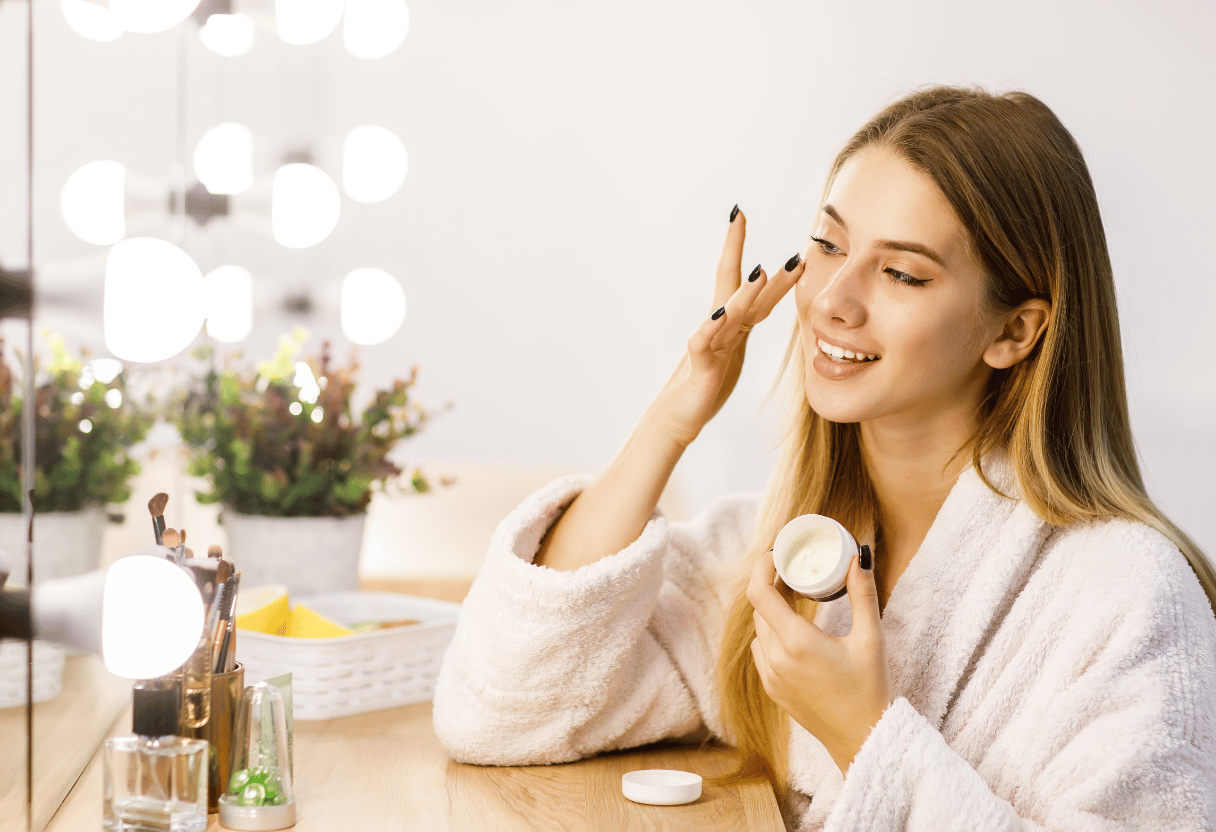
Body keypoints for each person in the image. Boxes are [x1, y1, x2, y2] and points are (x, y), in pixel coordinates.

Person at [432, 86, 1216, 830]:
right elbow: (505, 707)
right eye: (828, 244)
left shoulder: (1125, 594)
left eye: (903, 272)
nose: (834, 298)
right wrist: (677, 413)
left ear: (1015, 331)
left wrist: (865, 735)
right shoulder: (778, 555)